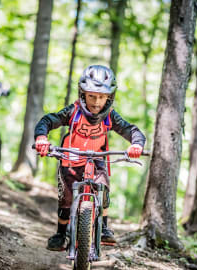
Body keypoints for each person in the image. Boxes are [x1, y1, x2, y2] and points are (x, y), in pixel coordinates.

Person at [34, 65, 146, 251]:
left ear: (109, 97)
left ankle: (103, 228)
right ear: (82, 93)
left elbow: (131, 129)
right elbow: (48, 120)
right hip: (71, 159)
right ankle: (61, 233)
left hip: (97, 159)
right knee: (66, 198)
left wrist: (136, 144)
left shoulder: (109, 116)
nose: (96, 102)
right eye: (92, 95)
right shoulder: (74, 112)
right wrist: (41, 138)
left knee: (103, 188)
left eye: (102, 97)